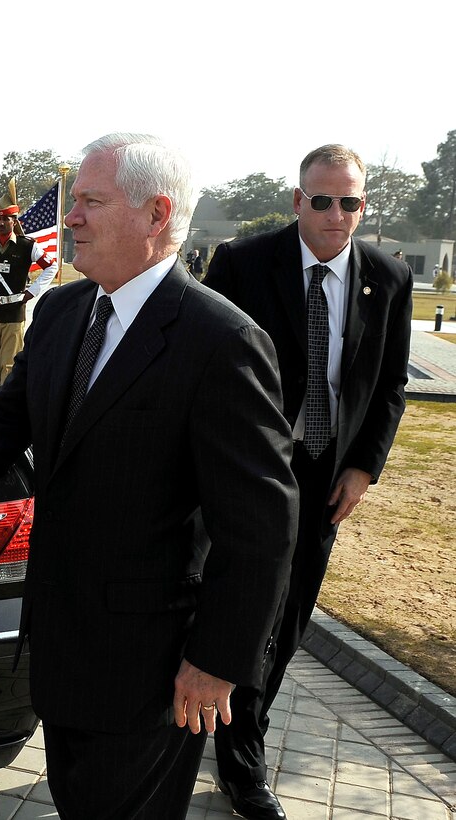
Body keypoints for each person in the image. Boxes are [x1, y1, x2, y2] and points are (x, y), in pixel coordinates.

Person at [0, 132, 298, 819]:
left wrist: (217, 661)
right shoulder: (64, 311)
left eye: (91, 201)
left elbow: (263, 527)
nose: (71, 218)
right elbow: (1, 422)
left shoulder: (222, 341)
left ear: (156, 214)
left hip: (152, 668)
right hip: (62, 648)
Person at [203, 144, 413, 820]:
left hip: (326, 476)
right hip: (248, 468)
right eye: (321, 200)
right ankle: (239, 763)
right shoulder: (242, 264)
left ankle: (242, 735)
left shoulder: (388, 276)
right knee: (239, 610)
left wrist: (364, 467)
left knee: (287, 623)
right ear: (298, 201)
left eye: (349, 202)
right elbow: (206, 369)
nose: (335, 214)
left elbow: (390, 385)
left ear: (362, 205)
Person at [0, 178, 58, 381]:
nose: (1, 224)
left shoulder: (27, 246)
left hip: (13, 313)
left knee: (10, 364)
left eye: (6, 219)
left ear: (14, 221)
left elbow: (51, 266)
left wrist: (31, 292)